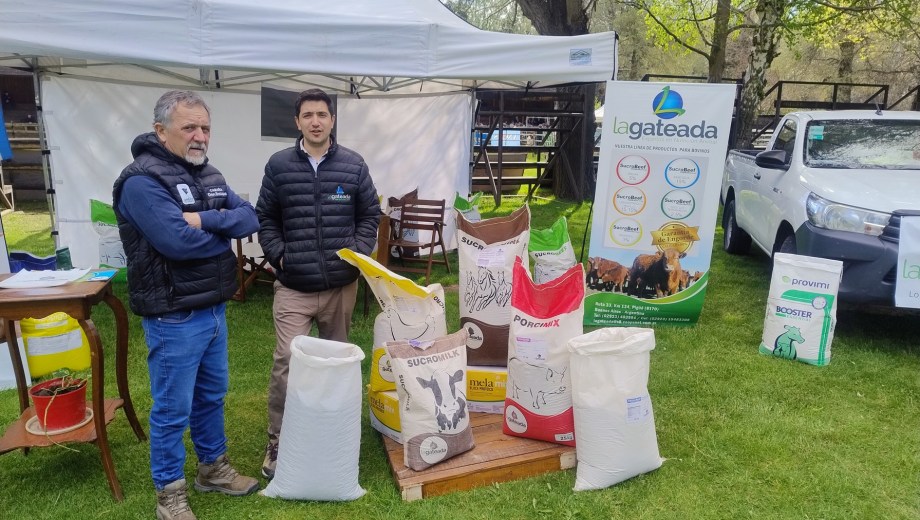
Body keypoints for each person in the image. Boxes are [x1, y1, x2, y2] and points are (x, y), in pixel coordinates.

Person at [113, 90, 260, 520]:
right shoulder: (141, 181)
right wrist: (222, 233)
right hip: (173, 314)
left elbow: (250, 217)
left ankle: (212, 469)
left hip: (213, 309)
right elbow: (176, 242)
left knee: (211, 396)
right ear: (160, 131)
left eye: (206, 128)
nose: (200, 137)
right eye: (189, 128)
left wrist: (206, 220)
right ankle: (169, 495)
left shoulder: (209, 173)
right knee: (172, 410)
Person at [256, 88, 380, 480]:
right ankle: (279, 437)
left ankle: (332, 434)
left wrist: (357, 255)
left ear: (331, 120)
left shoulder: (353, 165)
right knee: (287, 364)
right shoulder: (278, 166)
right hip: (294, 286)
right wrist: (279, 255)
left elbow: (370, 214)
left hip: (340, 286)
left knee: (336, 364)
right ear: (297, 122)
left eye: (322, 115)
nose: (315, 121)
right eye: (307, 115)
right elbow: (266, 217)